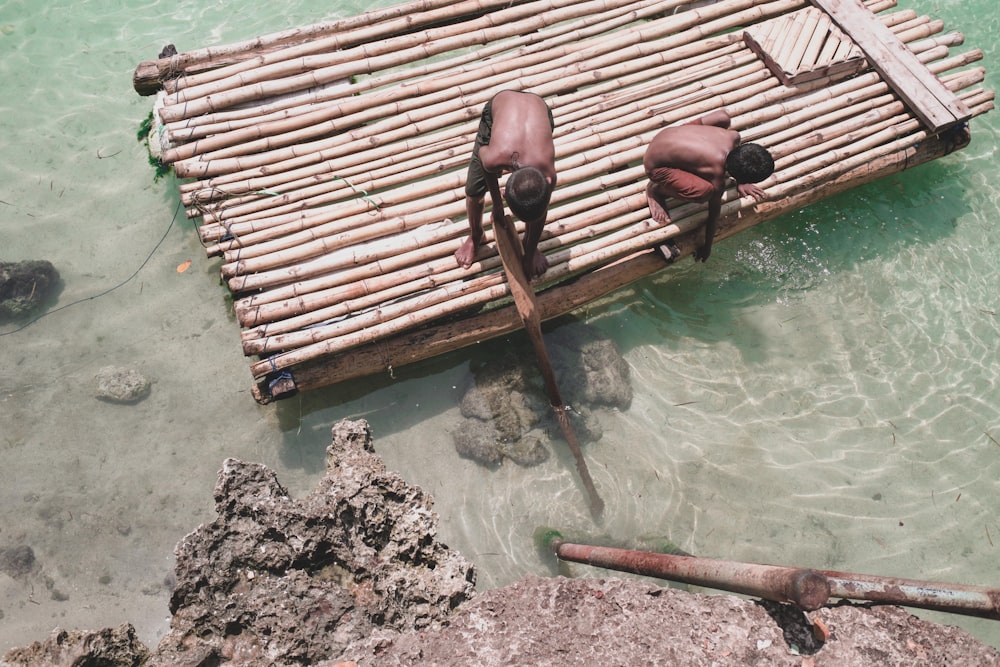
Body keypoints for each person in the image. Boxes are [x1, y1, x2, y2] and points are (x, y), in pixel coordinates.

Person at [643, 110, 774, 262]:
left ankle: (682, 155)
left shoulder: (733, 137)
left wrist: (741, 183)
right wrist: (707, 247)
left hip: (669, 134)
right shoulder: (716, 173)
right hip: (655, 165)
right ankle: (656, 190)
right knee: (704, 193)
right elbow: (713, 214)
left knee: (723, 118)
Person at [456, 90, 557, 279]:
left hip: (540, 109)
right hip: (499, 106)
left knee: (536, 204)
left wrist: (530, 252)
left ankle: (530, 247)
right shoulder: (495, 157)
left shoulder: (548, 175)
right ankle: (476, 235)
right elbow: (484, 159)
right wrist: (496, 204)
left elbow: (540, 209)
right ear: (505, 191)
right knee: (473, 190)